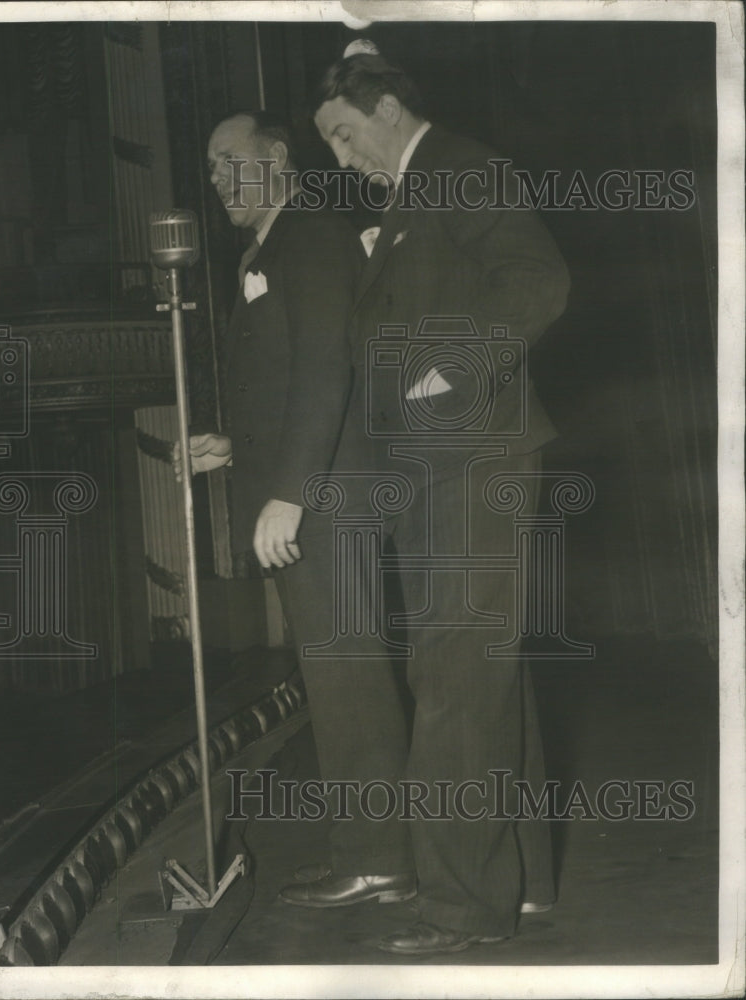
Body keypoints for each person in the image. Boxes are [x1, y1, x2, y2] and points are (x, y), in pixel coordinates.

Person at [281, 48, 570, 956]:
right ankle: (518, 889)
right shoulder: (413, 195)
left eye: (342, 132)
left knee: (452, 684)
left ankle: (459, 909)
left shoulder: (458, 168)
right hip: (440, 467)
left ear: (392, 107)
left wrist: (454, 367)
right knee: (482, 679)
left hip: (469, 459)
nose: (337, 156)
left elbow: (538, 280)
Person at [177, 111, 416, 904]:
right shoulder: (272, 245)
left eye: (227, 160)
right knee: (335, 677)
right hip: (315, 492)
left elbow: (325, 371)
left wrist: (290, 492)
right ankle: (369, 846)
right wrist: (235, 446)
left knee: (350, 678)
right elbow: (287, 388)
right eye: (208, 167)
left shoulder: (311, 233)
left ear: (277, 159)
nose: (215, 178)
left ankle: (382, 854)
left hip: (329, 500)